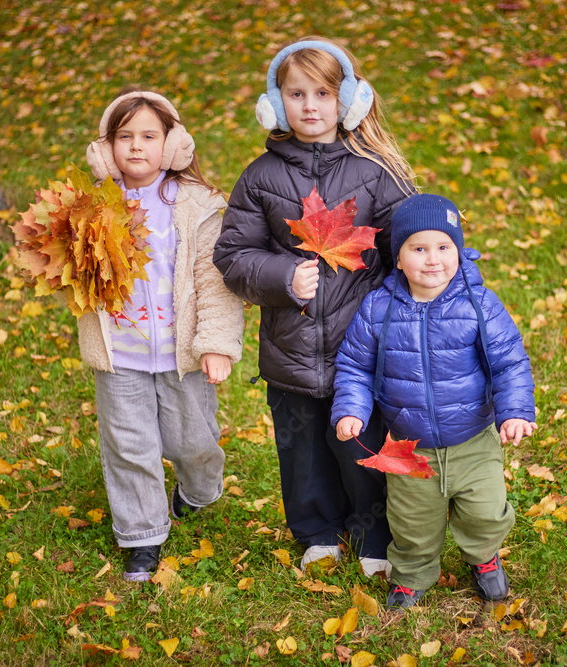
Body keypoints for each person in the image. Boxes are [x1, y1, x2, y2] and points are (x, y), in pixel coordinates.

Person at [213, 37, 416, 576]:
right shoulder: (261, 177)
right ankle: (317, 531)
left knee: (363, 448)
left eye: (323, 93)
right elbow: (232, 254)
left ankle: (374, 534)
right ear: (276, 104)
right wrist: (282, 276)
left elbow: (406, 243)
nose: (309, 105)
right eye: (296, 94)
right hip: (291, 346)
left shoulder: (376, 173)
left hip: (362, 347)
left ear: (347, 100)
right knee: (302, 451)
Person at [332, 194, 537, 608]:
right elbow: (355, 365)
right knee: (411, 523)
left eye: (444, 247)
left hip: (473, 440)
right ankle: (412, 574)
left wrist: (514, 411)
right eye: (418, 248)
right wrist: (351, 408)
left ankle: (482, 556)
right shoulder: (378, 308)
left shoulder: (478, 304)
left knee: (485, 510)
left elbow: (510, 362)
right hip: (410, 449)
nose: (432, 260)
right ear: (399, 257)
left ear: (458, 252)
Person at [79, 88, 244, 581]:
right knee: (130, 445)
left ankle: (196, 489)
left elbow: (213, 280)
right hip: (122, 354)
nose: (136, 147)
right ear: (106, 148)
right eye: (124, 136)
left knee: (192, 441)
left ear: (172, 143)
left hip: (182, 353)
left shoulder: (195, 205)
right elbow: (69, 272)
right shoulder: (90, 206)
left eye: (149, 136)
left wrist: (215, 343)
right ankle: (143, 536)